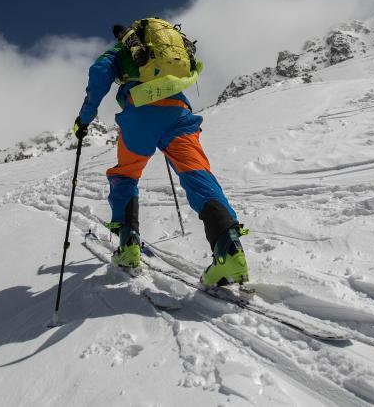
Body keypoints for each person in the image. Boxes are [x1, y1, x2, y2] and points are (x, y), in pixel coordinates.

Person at [73, 21, 249, 286]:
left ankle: (129, 246)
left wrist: (84, 119)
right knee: (197, 174)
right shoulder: (168, 46)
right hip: (178, 110)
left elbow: (99, 74)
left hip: (139, 112)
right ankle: (229, 250)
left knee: (126, 175)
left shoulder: (120, 50)